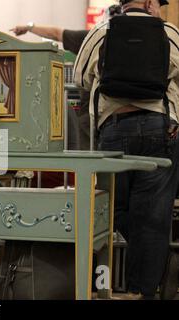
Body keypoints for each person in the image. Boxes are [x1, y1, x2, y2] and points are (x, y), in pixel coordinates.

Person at [74, 0, 179, 299]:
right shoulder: (168, 32)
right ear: (148, 3)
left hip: (114, 128)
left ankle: (106, 283)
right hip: (160, 129)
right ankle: (141, 291)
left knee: (111, 210)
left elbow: (80, 77)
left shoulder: (100, 32)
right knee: (154, 217)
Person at [11, 4, 123, 151]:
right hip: (122, 116)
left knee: (87, 165)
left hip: (91, 118)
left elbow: (57, 33)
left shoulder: (91, 38)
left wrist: (29, 27)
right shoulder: (140, 41)